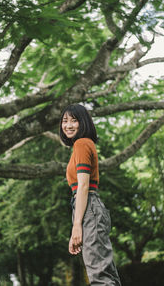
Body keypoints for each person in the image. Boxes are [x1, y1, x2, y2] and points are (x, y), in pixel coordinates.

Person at [59, 104, 121, 286]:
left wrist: (77, 225)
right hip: (90, 208)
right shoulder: (83, 145)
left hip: (88, 208)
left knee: (100, 276)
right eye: (64, 121)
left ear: (83, 122)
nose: (68, 125)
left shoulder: (82, 143)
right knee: (106, 273)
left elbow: (83, 186)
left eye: (74, 120)